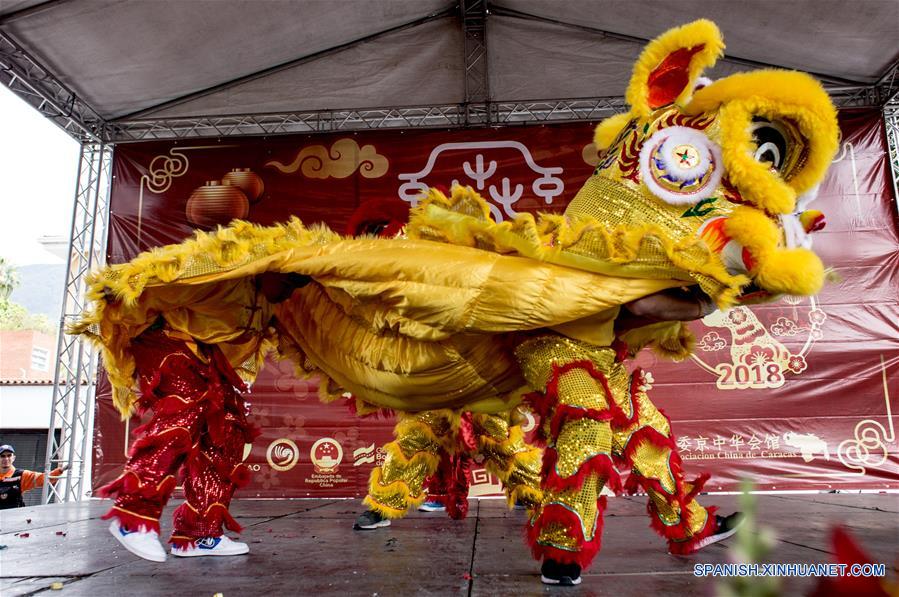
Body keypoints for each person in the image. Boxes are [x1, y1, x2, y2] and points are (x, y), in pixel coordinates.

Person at [94, 272, 309, 563]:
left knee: (227, 429)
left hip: (203, 348)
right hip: (162, 334)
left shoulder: (263, 303)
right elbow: (170, 277)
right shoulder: (227, 268)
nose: (288, 289)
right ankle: (133, 515)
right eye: (288, 281)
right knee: (186, 406)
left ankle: (200, 534)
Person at [0, 444, 68, 509]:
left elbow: (43, 478)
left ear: (13, 458)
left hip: (14, 515)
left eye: (9, 455)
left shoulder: (22, 475)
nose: (6, 459)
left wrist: (60, 470)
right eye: (2, 456)